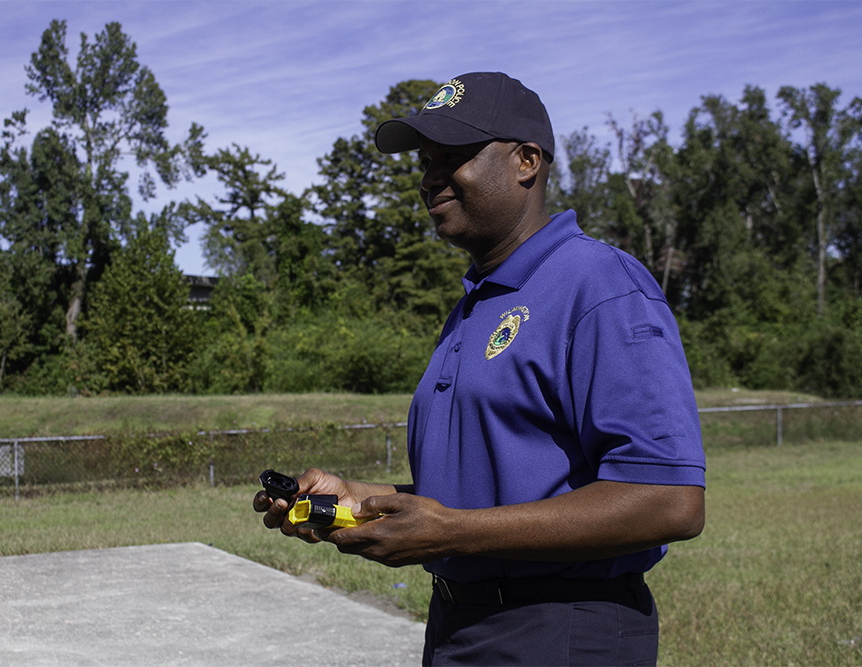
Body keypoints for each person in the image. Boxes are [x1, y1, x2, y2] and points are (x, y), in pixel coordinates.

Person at [254, 72, 706, 666]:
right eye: (425, 161)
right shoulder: (477, 303)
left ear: (526, 161)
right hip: (459, 624)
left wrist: (448, 532)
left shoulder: (599, 286)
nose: (429, 177)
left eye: (453, 156)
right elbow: (485, 496)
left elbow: (669, 498)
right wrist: (363, 500)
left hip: (560, 631)